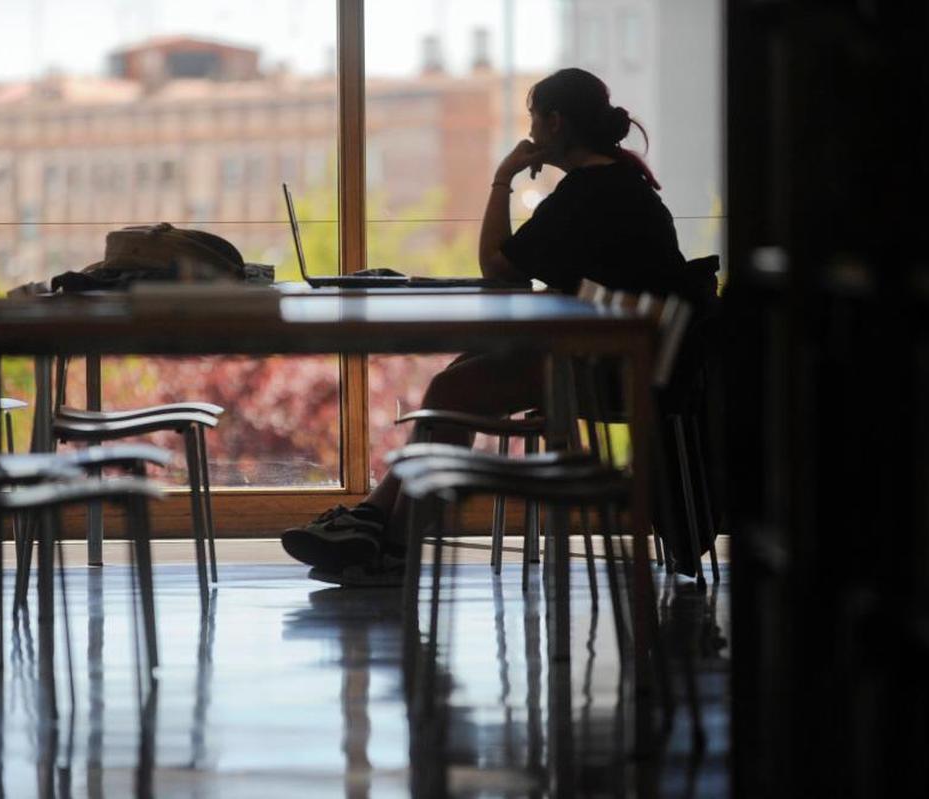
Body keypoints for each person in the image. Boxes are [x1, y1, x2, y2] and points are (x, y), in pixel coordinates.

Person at [282, 67, 687, 586]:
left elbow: (497, 267)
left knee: (453, 387)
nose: (532, 132)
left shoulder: (590, 191)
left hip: (608, 367)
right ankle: (375, 522)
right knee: (458, 377)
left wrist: (503, 178)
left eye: (534, 119)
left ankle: (392, 545)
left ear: (556, 122)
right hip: (614, 356)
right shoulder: (615, 183)